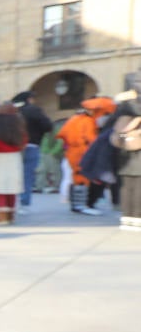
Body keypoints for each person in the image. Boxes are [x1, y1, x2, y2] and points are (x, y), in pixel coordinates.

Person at [57, 98, 114, 215]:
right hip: (81, 152)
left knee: (77, 178)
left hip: (73, 152)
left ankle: (77, 205)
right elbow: (91, 140)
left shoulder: (76, 119)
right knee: (81, 179)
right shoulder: (87, 122)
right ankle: (81, 206)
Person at [12, 91, 54, 214]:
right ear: (29, 99)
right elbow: (47, 125)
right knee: (27, 175)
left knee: (14, 174)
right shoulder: (33, 110)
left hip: (14, 146)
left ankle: (9, 201)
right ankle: (24, 203)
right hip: (32, 145)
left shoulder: (13, 111)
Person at [113, 83, 141, 231]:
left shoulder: (122, 110)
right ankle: (137, 218)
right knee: (138, 186)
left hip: (124, 149)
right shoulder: (137, 108)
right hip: (137, 150)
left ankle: (126, 218)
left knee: (126, 185)